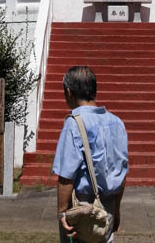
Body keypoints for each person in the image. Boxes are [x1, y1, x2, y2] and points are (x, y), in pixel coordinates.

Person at [53, 66, 128, 243]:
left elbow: (66, 176)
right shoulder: (117, 123)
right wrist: (116, 209)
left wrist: (62, 212)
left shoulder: (74, 123)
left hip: (82, 207)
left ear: (69, 92)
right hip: (108, 203)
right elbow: (122, 173)